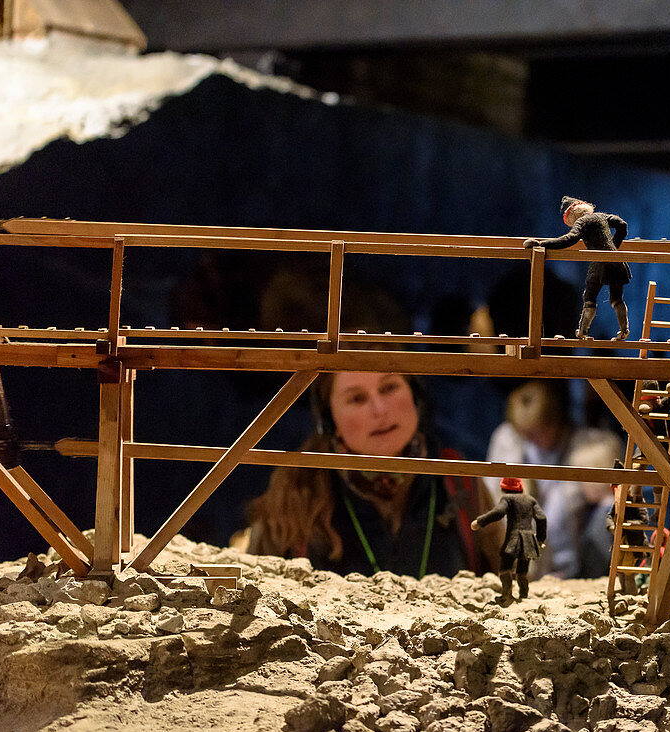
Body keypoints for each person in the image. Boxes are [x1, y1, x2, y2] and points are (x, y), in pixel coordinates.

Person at [241, 371, 501, 577]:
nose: (379, 410)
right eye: (357, 398)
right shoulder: (295, 488)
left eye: (389, 388)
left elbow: (502, 585)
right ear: (329, 421)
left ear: (415, 396)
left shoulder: (459, 477)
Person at [483, 380, 623, 578]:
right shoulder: (508, 440)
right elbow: (491, 497)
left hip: (570, 564)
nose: (533, 440)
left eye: (538, 432)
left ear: (555, 422)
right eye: (526, 435)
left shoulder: (586, 445)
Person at [524, 196, 630, 340]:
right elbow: (622, 225)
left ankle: (583, 331)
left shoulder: (582, 221)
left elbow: (569, 239)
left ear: (573, 215)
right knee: (616, 299)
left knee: (589, 298)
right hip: (617, 261)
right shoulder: (601, 216)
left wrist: (543, 244)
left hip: (599, 264)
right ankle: (624, 330)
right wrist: (613, 246)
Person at [471, 477, 547, 605]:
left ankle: (507, 595)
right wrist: (540, 538)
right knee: (522, 571)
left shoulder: (507, 499)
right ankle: (523, 595)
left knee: (505, 569)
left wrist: (480, 522)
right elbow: (542, 518)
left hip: (514, 540)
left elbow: (498, 512)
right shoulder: (531, 501)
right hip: (528, 541)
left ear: (504, 488)